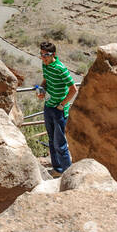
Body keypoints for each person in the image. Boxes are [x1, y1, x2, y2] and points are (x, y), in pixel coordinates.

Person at [36, 40, 77, 175]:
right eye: (41, 54)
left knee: (60, 144)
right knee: (51, 140)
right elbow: (46, 80)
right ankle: (58, 169)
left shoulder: (61, 68)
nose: (43, 57)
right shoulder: (45, 65)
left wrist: (62, 105)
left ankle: (67, 174)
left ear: (53, 54)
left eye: (45, 55)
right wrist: (42, 90)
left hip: (59, 110)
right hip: (48, 106)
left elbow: (73, 89)